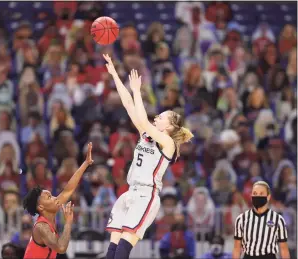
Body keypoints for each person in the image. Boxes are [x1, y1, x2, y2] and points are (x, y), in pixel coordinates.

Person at [103, 54, 194, 259]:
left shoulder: (168, 143)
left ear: (169, 127)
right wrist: (115, 75)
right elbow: (128, 105)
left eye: (162, 116)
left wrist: (137, 90)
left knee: (122, 251)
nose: (157, 116)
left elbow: (143, 120)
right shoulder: (146, 135)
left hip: (146, 196)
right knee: (111, 251)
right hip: (130, 192)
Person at [22, 143, 93, 259]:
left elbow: (68, 190)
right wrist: (68, 222)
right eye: (49, 197)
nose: (56, 198)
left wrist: (85, 164)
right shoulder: (41, 227)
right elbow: (61, 248)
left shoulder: (48, 220)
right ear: (41, 207)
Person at [232, 181, 290, 259]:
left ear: (268, 197)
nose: (258, 196)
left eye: (261, 193)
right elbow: (237, 248)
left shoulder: (278, 219)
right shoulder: (241, 219)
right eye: (255, 193)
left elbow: (284, 249)